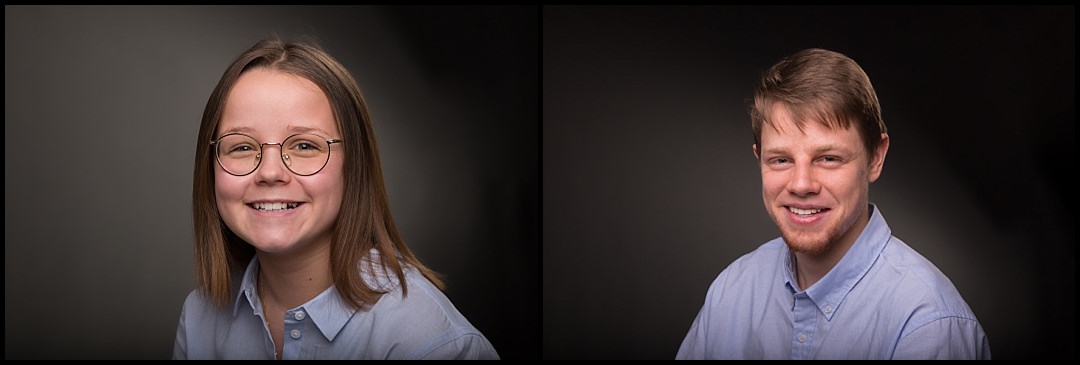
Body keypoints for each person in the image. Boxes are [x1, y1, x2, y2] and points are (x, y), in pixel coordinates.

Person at [172, 37, 500, 360]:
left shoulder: (430, 344)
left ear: (354, 166)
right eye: (242, 146)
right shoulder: (201, 317)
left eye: (304, 145)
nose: (270, 172)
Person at [675, 48, 991, 360]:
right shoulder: (733, 289)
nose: (801, 185)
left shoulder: (927, 325)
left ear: (875, 158)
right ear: (759, 159)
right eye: (781, 159)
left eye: (828, 158)